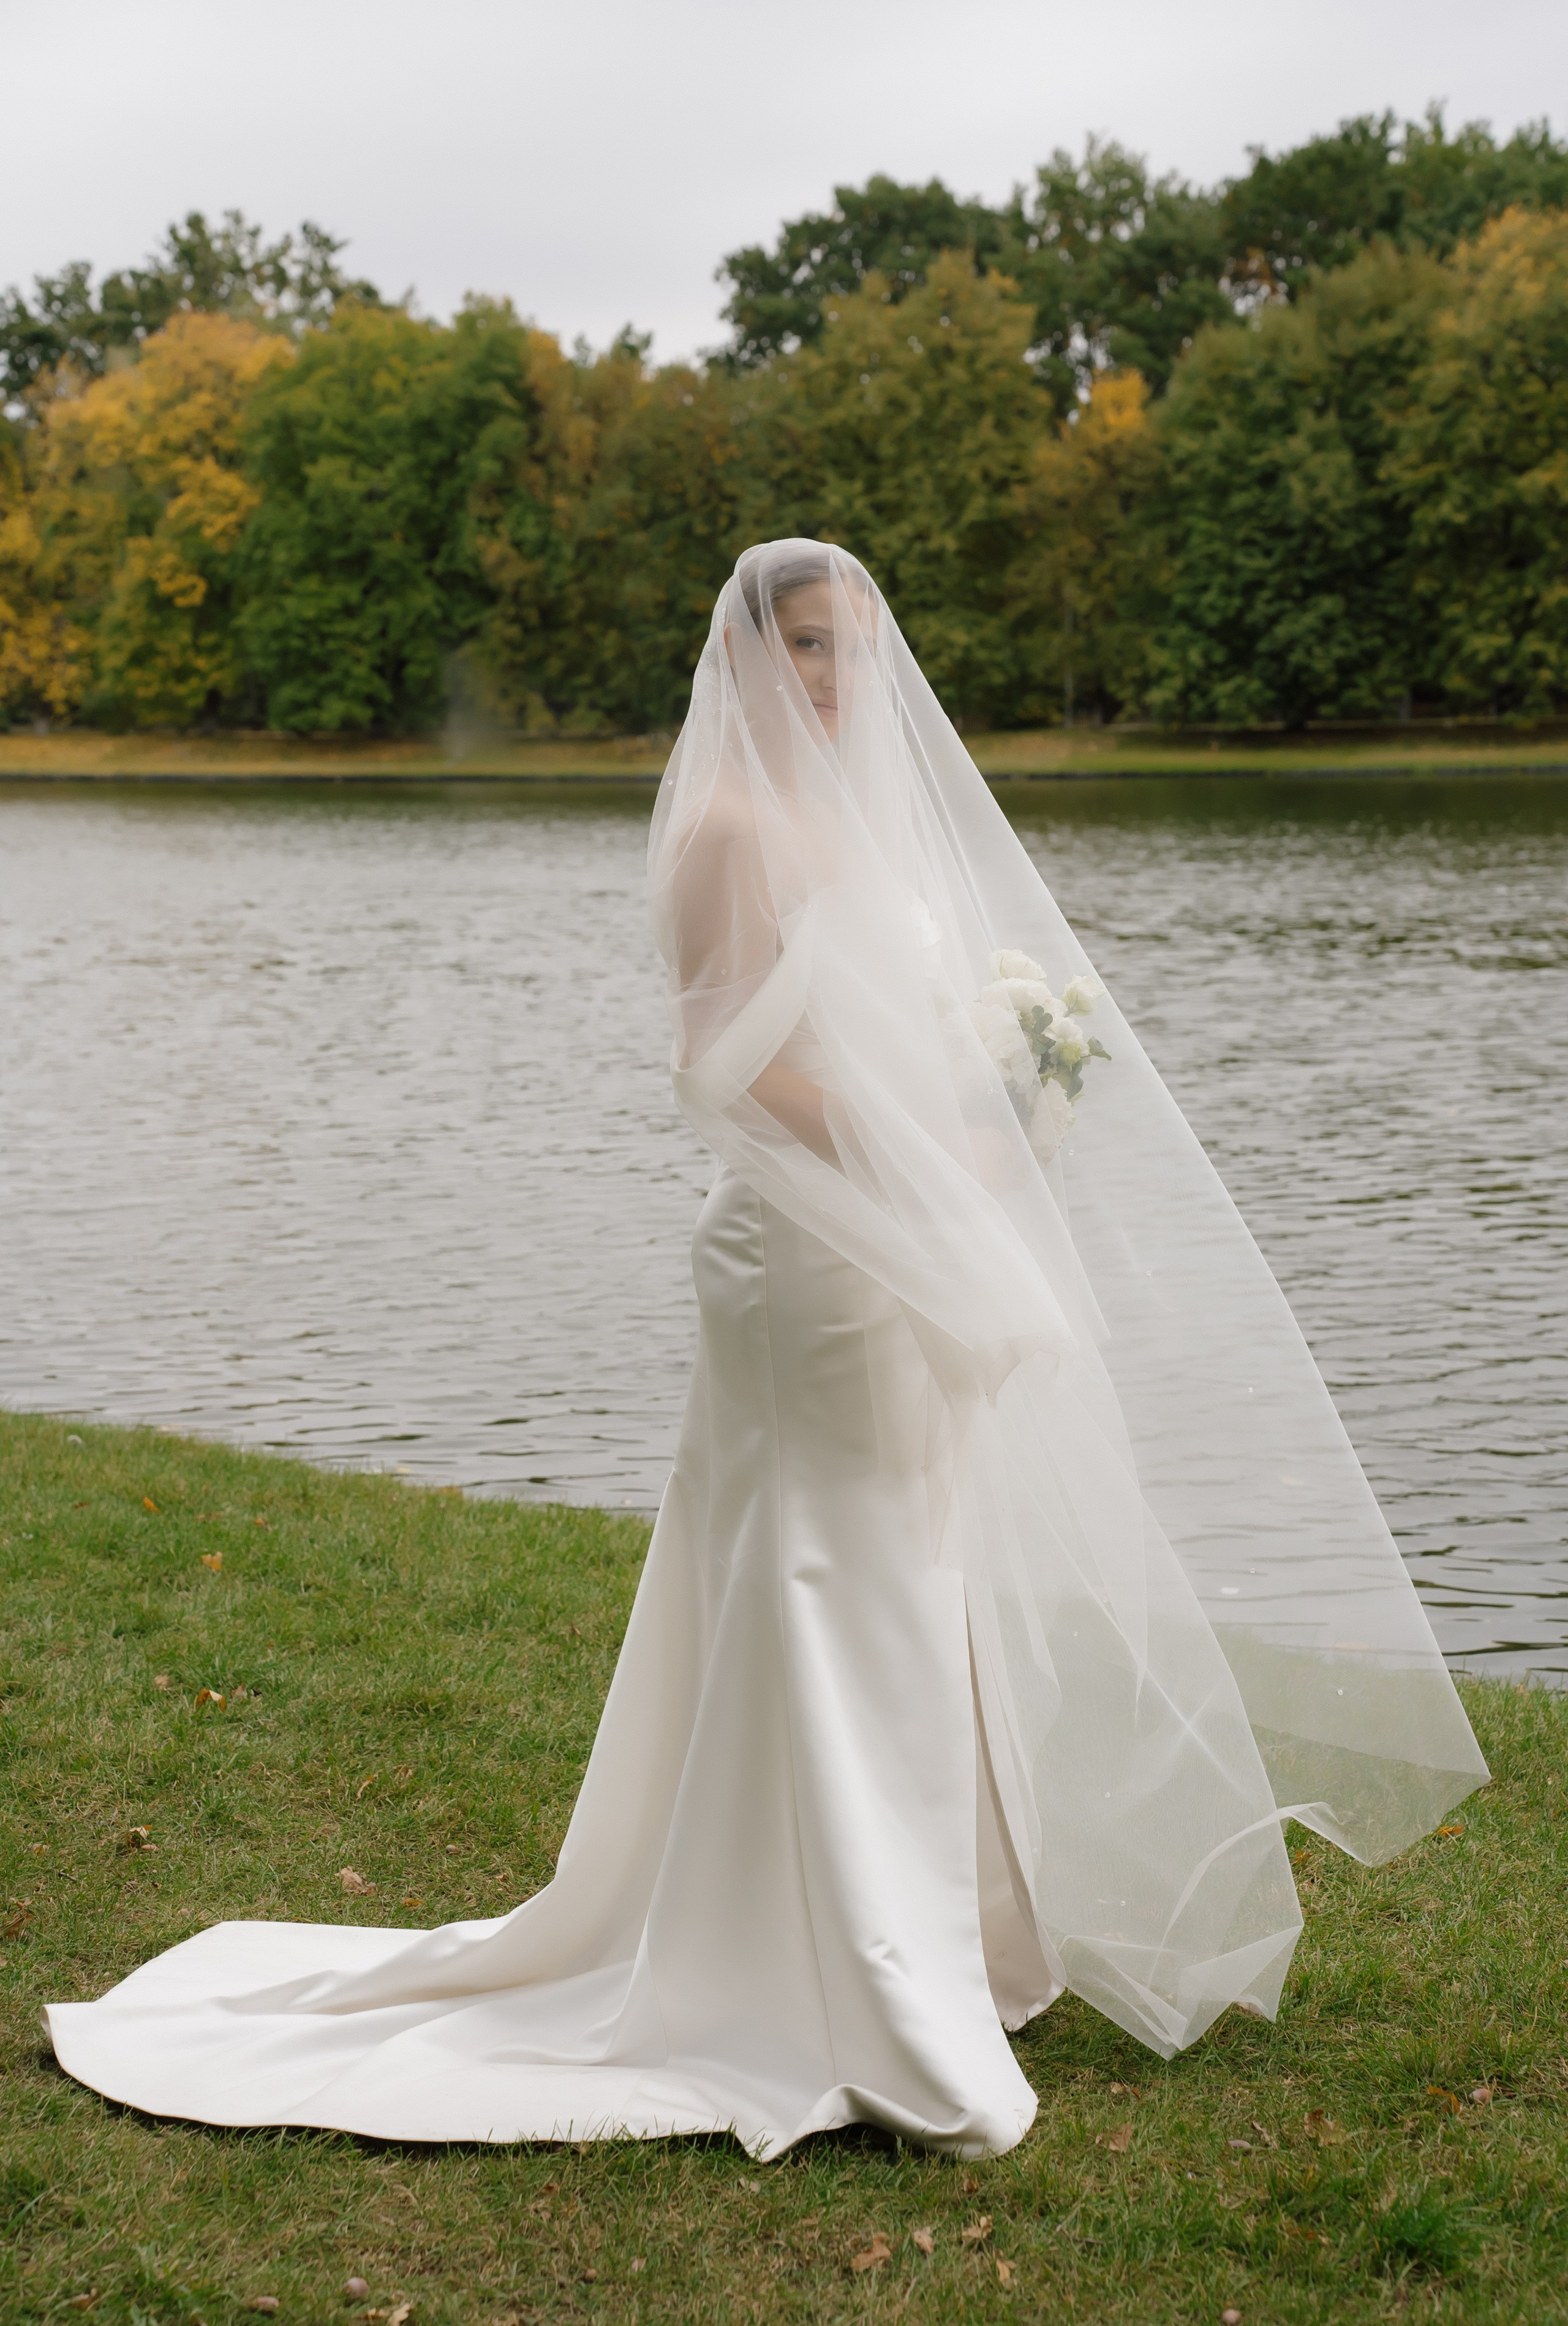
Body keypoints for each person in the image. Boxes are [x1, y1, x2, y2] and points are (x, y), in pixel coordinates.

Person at [47, 540, 1488, 2160]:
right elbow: (724, 1070)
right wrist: (935, 1134)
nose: (836, 682)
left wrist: (1012, 1105)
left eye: (855, 651)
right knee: (830, 1576)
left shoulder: (869, 820)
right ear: (742, 653)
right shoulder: (732, 827)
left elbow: (926, 1025)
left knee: (911, 1575)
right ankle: (841, 1976)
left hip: (901, 1239)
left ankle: (926, 1929)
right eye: (807, 648)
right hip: (802, 1254)